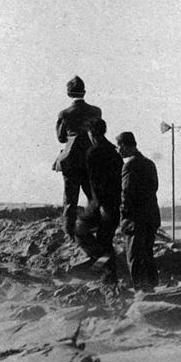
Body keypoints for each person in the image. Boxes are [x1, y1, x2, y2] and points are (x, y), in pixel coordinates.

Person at [73, 119, 124, 281]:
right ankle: (106, 274)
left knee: (80, 229)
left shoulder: (94, 152)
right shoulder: (115, 152)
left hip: (101, 204)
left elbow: (95, 184)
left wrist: (98, 204)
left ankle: (101, 266)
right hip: (115, 203)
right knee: (105, 240)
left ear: (92, 133)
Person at [54, 76, 101, 237]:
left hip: (71, 161)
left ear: (69, 93)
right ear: (84, 92)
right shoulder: (96, 111)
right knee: (93, 197)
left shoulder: (64, 114)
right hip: (92, 160)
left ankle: (70, 234)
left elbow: (61, 138)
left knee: (70, 200)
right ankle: (93, 229)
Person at [118, 131, 159, 290]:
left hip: (135, 218)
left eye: (119, 146)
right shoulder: (150, 163)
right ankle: (152, 287)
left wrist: (123, 216)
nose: (118, 150)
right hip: (151, 216)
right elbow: (154, 188)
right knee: (148, 253)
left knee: (133, 255)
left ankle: (140, 289)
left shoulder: (129, 165)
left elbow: (126, 193)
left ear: (124, 145)